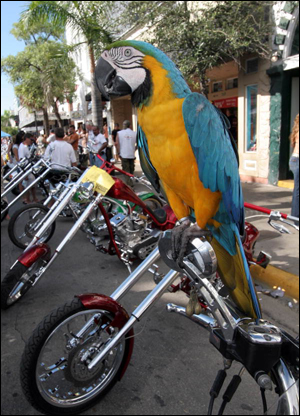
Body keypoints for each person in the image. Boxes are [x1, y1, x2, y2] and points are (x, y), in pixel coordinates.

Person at [18, 133, 38, 204]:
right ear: (27, 138)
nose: (31, 141)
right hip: (26, 169)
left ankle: (34, 198)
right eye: (30, 139)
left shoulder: (25, 146)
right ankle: (28, 200)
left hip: (29, 169)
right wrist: (25, 174)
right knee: (28, 186)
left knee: (32, 185)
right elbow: (21, 160)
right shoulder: (22, 147)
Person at [289, 114, 299, 218]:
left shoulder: (296, 131)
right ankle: (296, 217)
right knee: (297, 191)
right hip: (297, 161)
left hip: (295, 160)